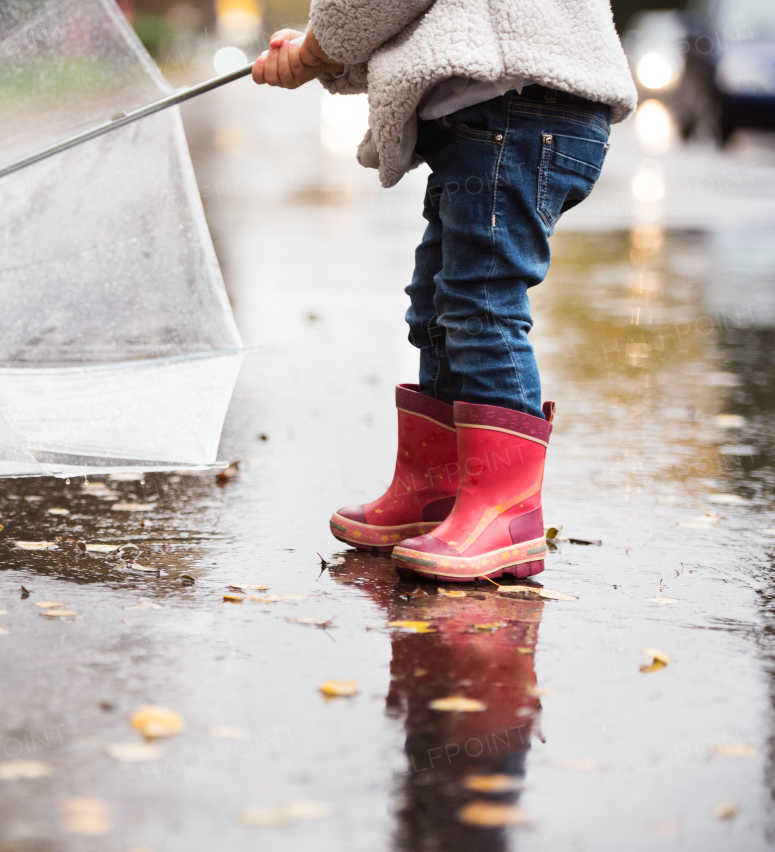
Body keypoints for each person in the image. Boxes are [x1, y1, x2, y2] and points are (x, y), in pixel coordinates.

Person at [252, 0, 637, 583]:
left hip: (517, 108)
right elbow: (435, 24)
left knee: (481, 303)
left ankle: (506, 513)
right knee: (437, 305)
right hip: (499, 109)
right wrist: (320, 52)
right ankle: (436, 494)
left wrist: (315, 49)